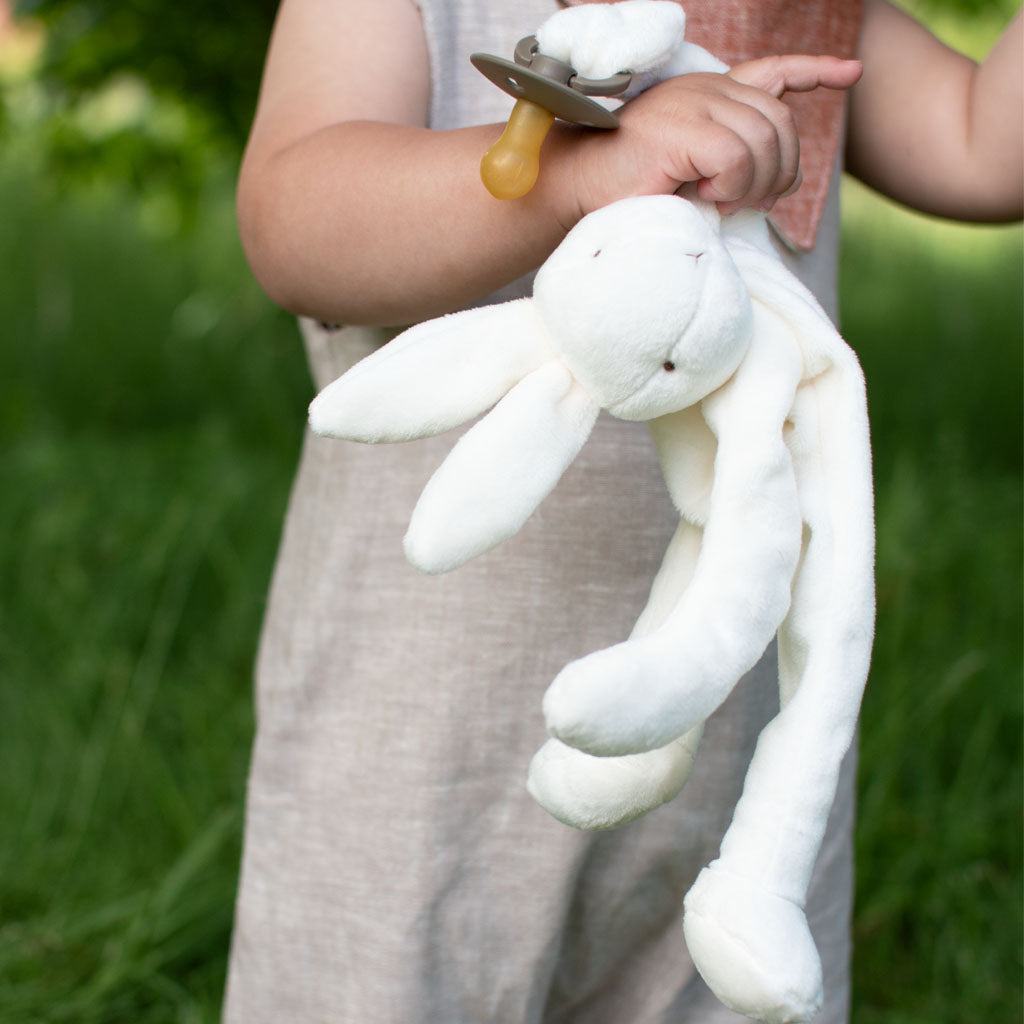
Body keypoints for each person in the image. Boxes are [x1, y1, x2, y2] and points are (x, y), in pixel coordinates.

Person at [224, 2, 1022, 1022]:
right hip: (418, 753)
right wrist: (574, 172)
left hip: (721, 748)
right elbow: (296, 223)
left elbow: (983, 144)